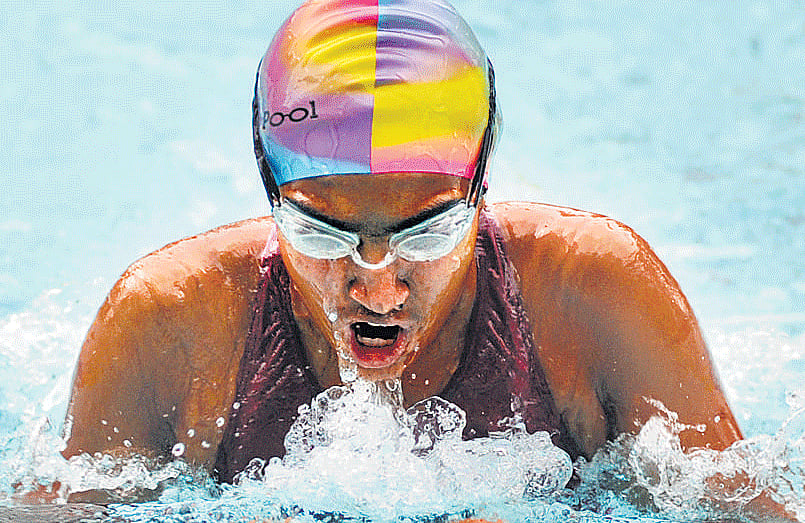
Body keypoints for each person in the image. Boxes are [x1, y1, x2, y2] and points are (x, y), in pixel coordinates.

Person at [61, 0, 775, 516]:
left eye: (426, 235)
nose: (376, 283)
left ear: (480, 190)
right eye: (322, 236)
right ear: (270, 195)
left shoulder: (593, 294)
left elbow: (743, 509)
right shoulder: (171, 320)